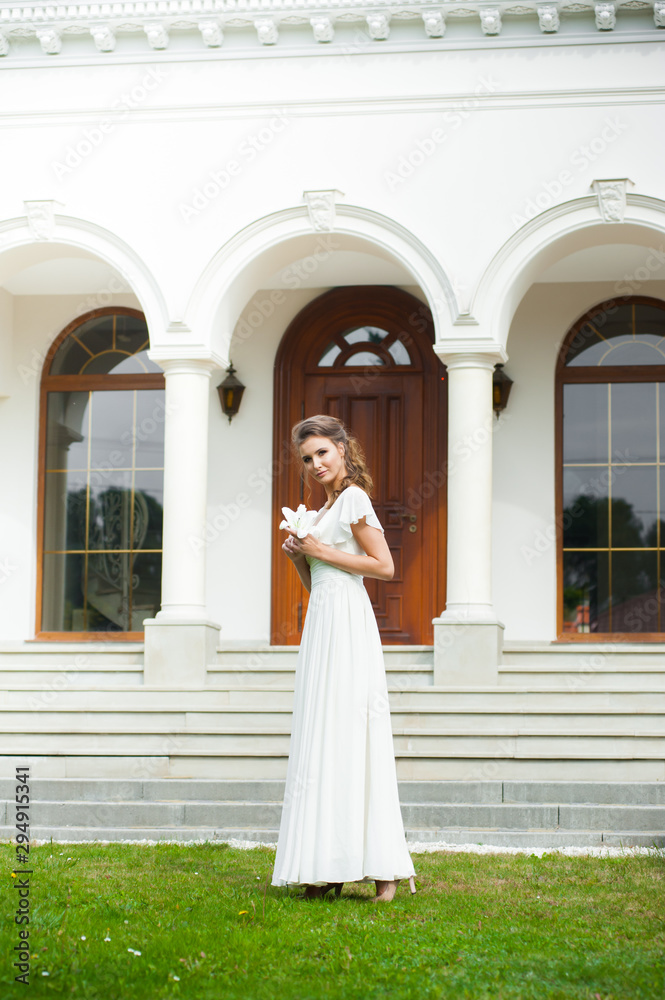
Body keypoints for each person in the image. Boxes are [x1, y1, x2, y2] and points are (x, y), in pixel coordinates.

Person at [271, 414, 416, 902]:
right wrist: (299, 555)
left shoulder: (354, 499)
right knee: (324, 734)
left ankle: (384, 870)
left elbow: (384, 566)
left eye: (322, 454)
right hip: (322, 626)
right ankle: (328, 863)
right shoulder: (319, 511)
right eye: (307, 459)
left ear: (342, 449)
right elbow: (319, 583)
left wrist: (318, 548)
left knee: (355, 732)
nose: (315, 464)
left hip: (351, 627)